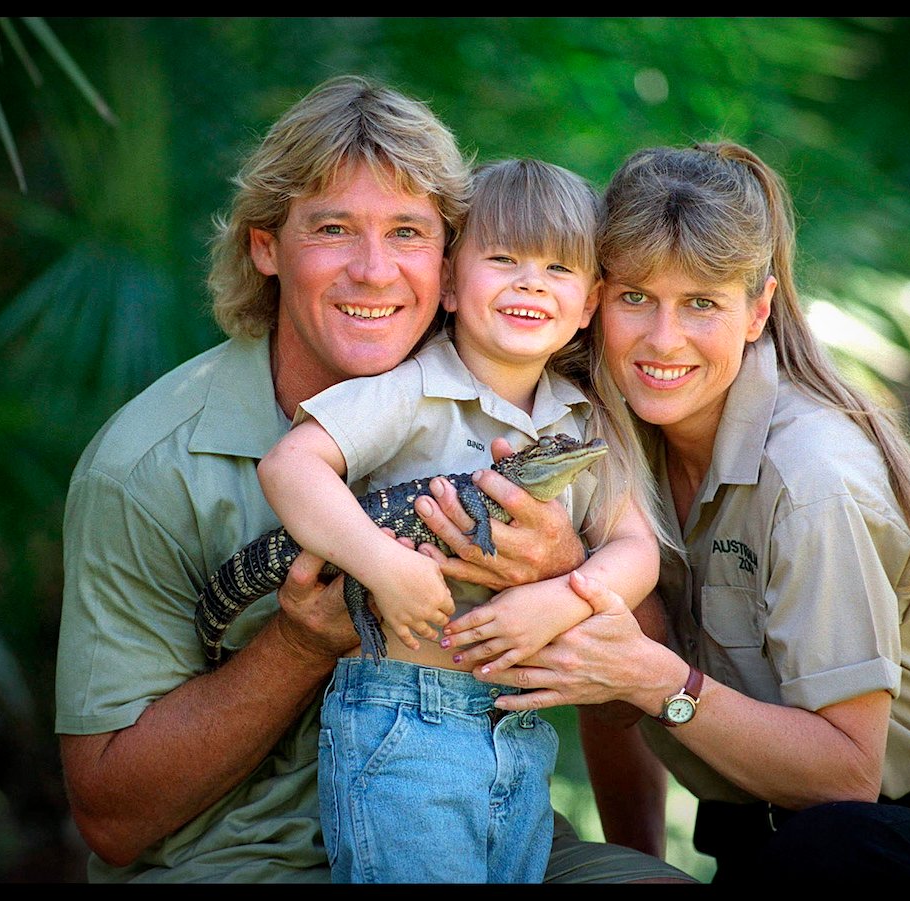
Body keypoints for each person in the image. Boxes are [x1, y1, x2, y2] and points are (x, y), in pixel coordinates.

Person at [55, 74, 694, 884]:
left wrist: (565, 572)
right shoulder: (140, 467)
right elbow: (111, 817)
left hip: (486, 810)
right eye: (332, 229)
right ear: (265, 246)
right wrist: (300, 640)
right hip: (243, 861)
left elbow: (628, 669)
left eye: (407, 232)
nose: (374, 271)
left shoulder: (530, 405)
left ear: (449, 260)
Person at [456, 142, 910, 882]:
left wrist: (654, 678)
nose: (662, 339)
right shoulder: (600, 436)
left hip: (909, 844)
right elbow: (608, 674)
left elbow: (846, 779)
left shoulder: (815, 479)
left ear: (757, 310)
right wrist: (643, 866)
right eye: (636, 296)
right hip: (756, 844)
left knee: (830, 846)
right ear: (597, 298)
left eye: (701, 302)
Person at [257, 158, 667, 883]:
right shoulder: (410, 387)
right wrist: (385, 566)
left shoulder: (584, 416)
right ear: (448, 282)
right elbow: (290, 467)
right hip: (400, 719)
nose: (530, 282)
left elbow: (636, 547)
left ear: (588, 304)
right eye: (504, 258)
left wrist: (565, 597)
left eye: (556, 268)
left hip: (519, 728)